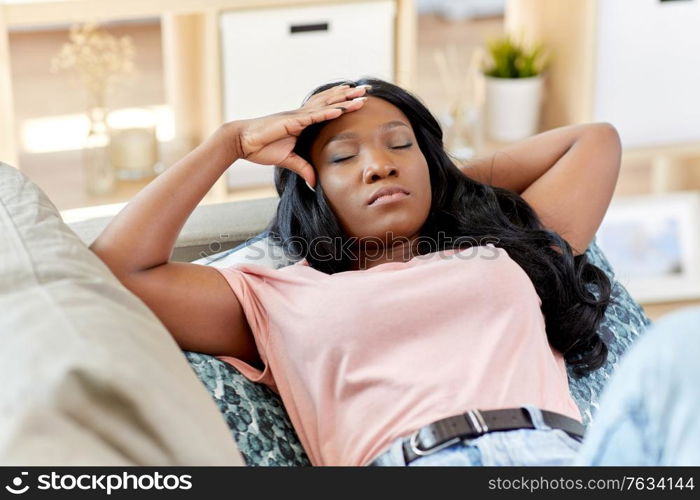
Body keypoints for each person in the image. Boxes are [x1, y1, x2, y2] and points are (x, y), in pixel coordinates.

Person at [89, 78, 690, 467]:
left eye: (398, 145)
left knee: (684, 345)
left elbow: (592, 141)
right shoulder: (275, 295)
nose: (378, 166)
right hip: (416, 463)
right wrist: (229, 142)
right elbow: (113, 272)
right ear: (313, 189)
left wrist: (441, 180)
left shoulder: (506, 254)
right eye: (344, 158)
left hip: (568, 461)